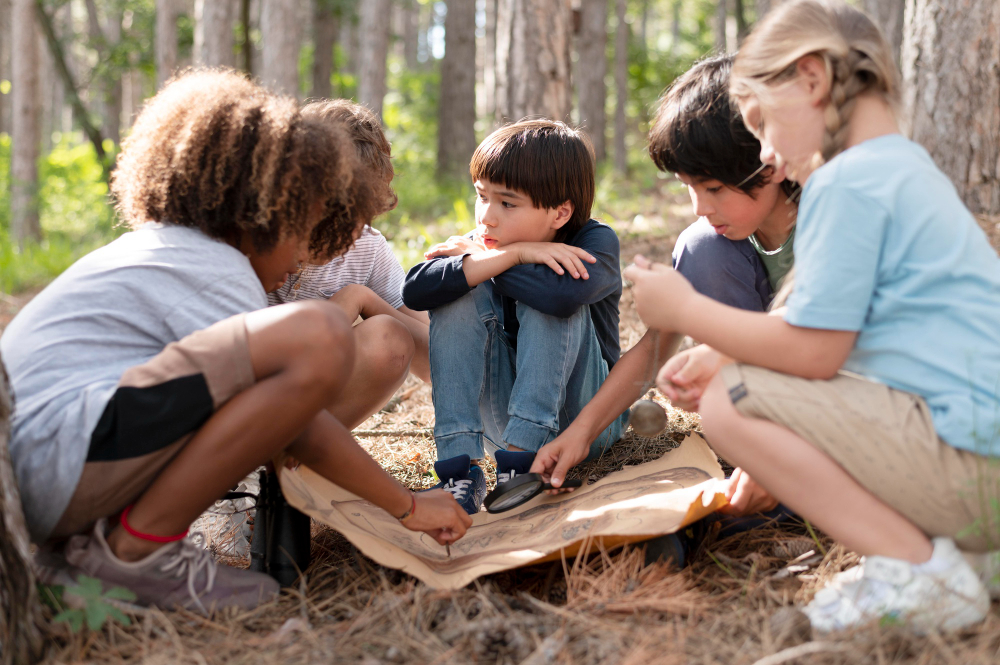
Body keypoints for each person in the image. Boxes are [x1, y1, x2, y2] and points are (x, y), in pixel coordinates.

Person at [0, 71, 471, 614]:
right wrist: (408, 505)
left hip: (44, 473)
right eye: (299, 232)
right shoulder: (215, 271)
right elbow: (301, 426)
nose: (300, 258)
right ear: (260, 215)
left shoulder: (167, 250)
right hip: (54, 459)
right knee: (317, 334)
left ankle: (83, 560)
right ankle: (135, 553)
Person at [626, 0, 1000, 633]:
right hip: (973, 465)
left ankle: (918, 569)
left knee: (729, 401)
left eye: (762, 124)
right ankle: (967, 558)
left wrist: (689, 311)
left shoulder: (846, 183)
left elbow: (816, 352)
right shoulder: (903, 172)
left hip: (970, 469)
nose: (766, 155)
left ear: (810, 80)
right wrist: (720, 346)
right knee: (737, 373)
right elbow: (826, 320)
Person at [530, 55, 798, 530]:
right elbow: (656, 346)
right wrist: (580, 434)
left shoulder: (834, 221)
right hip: (768, 411)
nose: (700, 206)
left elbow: (828, 345)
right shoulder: (721, 240)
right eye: (689, 186)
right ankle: (760, 471)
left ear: (771, 162)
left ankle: (789, 480)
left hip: (845, 404)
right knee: (701, 246)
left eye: (714, 187)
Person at [402, 119, 626, 515]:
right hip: (500, 427)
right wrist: (517, 253)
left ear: (560, 213)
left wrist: (489, 263)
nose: (486, 217)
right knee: (457, 289)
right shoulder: (485, 244)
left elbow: (562, 298)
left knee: (550, 291)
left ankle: (523, 462)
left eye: (507, 203)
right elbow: (416, 290)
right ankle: (460, 470)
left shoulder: (594, 241)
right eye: (481, 196)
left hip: (586, 420)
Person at [269, 100, 431, 429]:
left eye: (354, 216)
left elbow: (435, 362)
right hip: (237, 390)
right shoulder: (255, 238)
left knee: (390, 336)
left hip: (302, 412)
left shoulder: (366, 248)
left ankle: (291, 462)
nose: (338, 230)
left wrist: (362, 299)